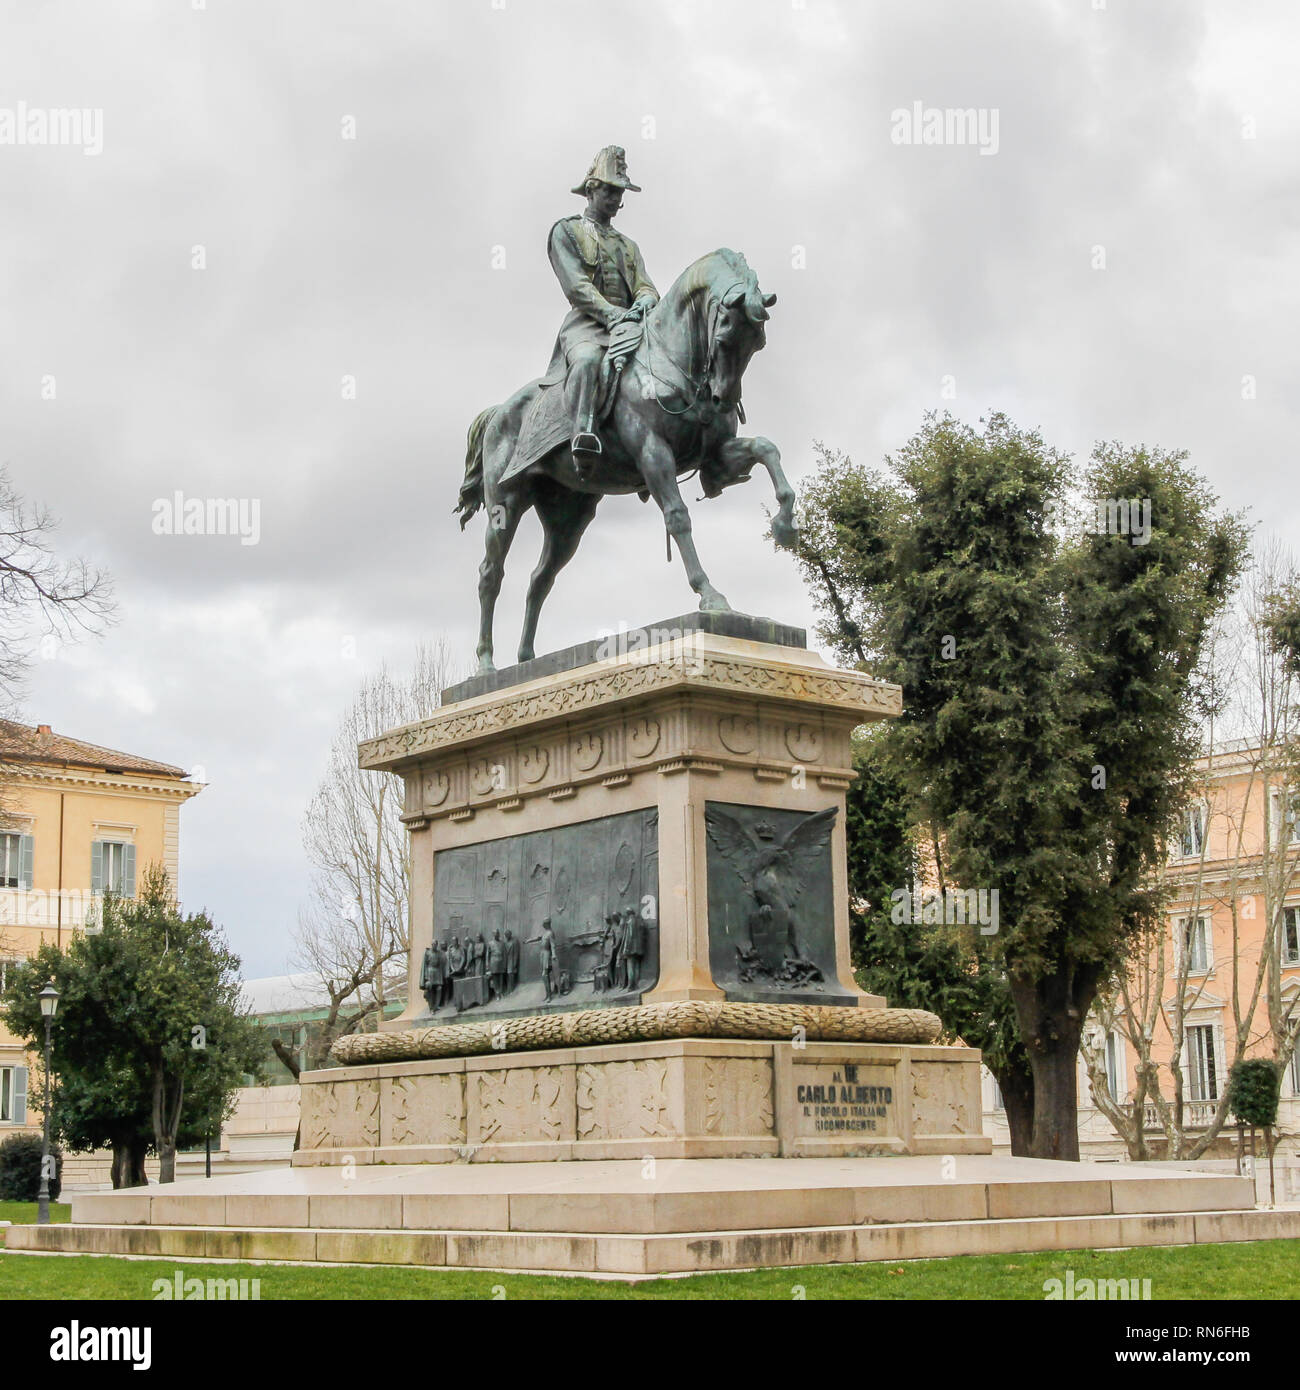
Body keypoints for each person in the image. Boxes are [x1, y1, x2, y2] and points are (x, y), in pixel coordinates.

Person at [543, 145, 658, 474]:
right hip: (588, 326)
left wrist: (643, 304)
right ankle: (584, 433)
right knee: (588, 361)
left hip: (632, 324)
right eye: (609, 190)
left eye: (619, 192)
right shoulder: (566, 231)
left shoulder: (627, 245)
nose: (615, 199)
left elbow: (645, 286)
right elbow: (577, 287)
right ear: (591, 188)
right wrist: (612, 314)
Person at [487, 929, 506, 1000]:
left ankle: (501, 992)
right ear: (493, 934)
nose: (496, 935)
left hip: (501, 962)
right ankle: (497, 994)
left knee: (501, 978)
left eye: (497, 933)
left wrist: (504, 964)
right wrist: (487, 965)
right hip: (493, 962)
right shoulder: (490, 943)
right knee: (495, 979)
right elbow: (487, 955)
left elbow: (504, 954)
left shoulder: (502, 943)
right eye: (495, 933)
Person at [504, 928, 520, 994]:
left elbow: (516, 953)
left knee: (511, 974)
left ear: (510, 934)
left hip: (512, 960)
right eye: (505, 935)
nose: (506, 936)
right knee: (507, 975)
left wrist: (515, 963)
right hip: (506, 960)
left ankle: (512, 989)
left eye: (507, 934)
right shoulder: (505, 942)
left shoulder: (515, 941)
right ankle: (508, 988)